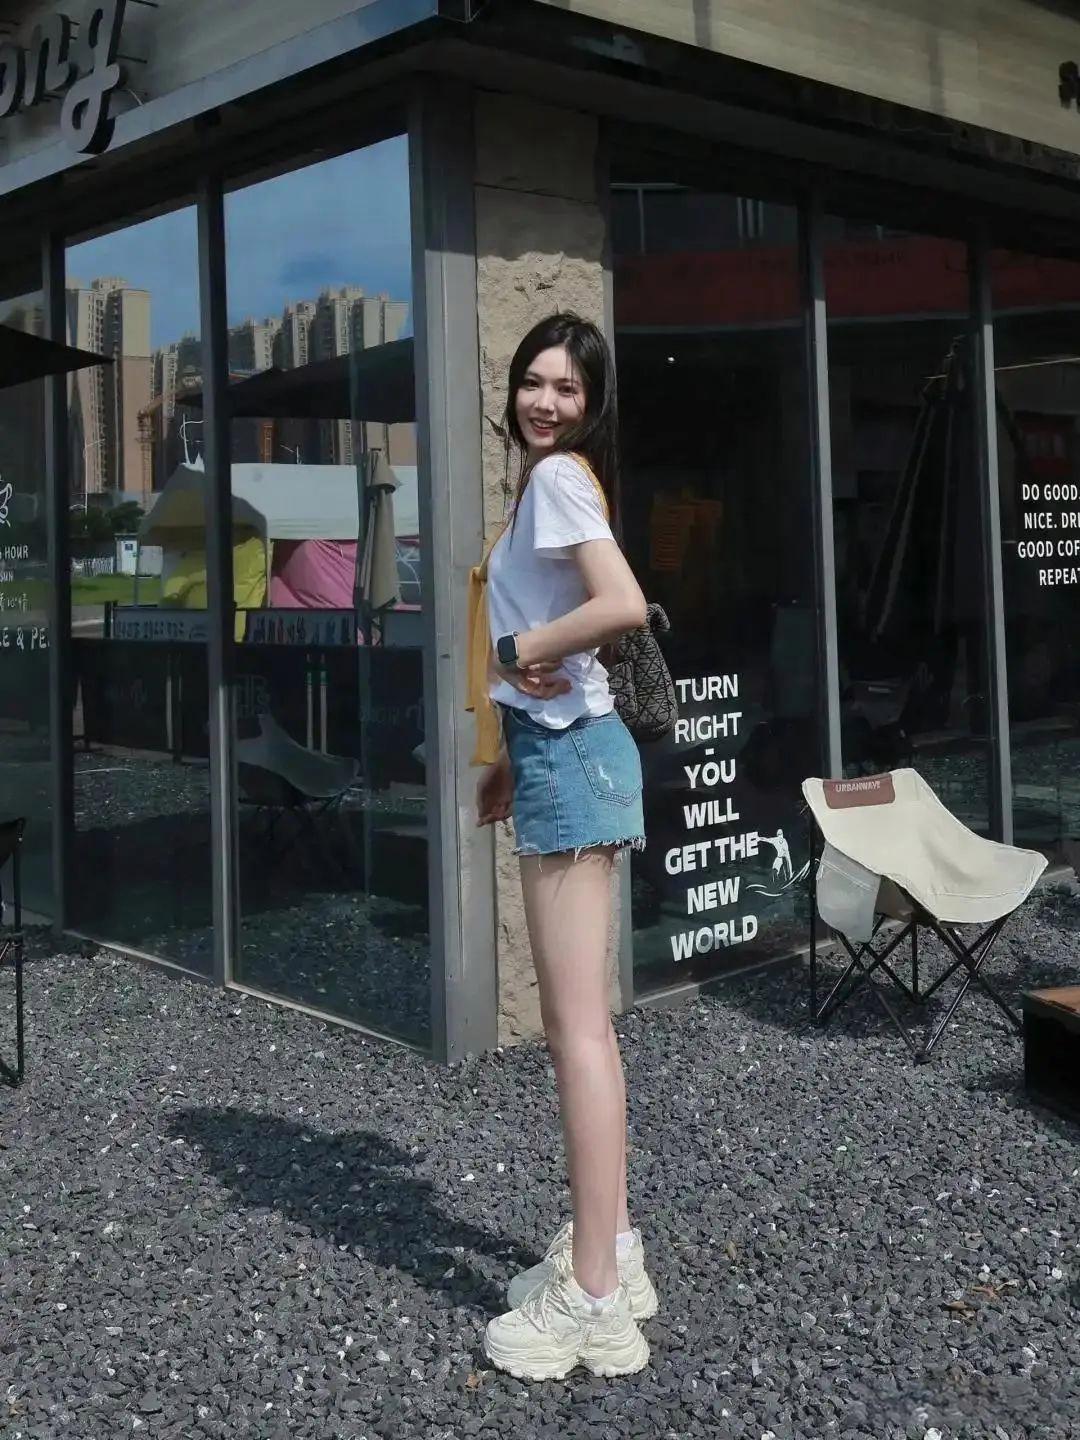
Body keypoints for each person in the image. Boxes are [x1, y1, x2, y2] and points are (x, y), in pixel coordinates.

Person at [472, 313, 658, 1381]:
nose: (545, 401)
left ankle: (592, 1303)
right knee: (579, 1026)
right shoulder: (553, 480)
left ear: (591, 405)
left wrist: (518, 648)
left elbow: (620, 604)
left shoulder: (556, 479)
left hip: (574, 759)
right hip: (558, 755)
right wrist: (507, 757)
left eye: (568, 389)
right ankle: (613, 1253)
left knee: (577, 1034)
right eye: (533, 382)